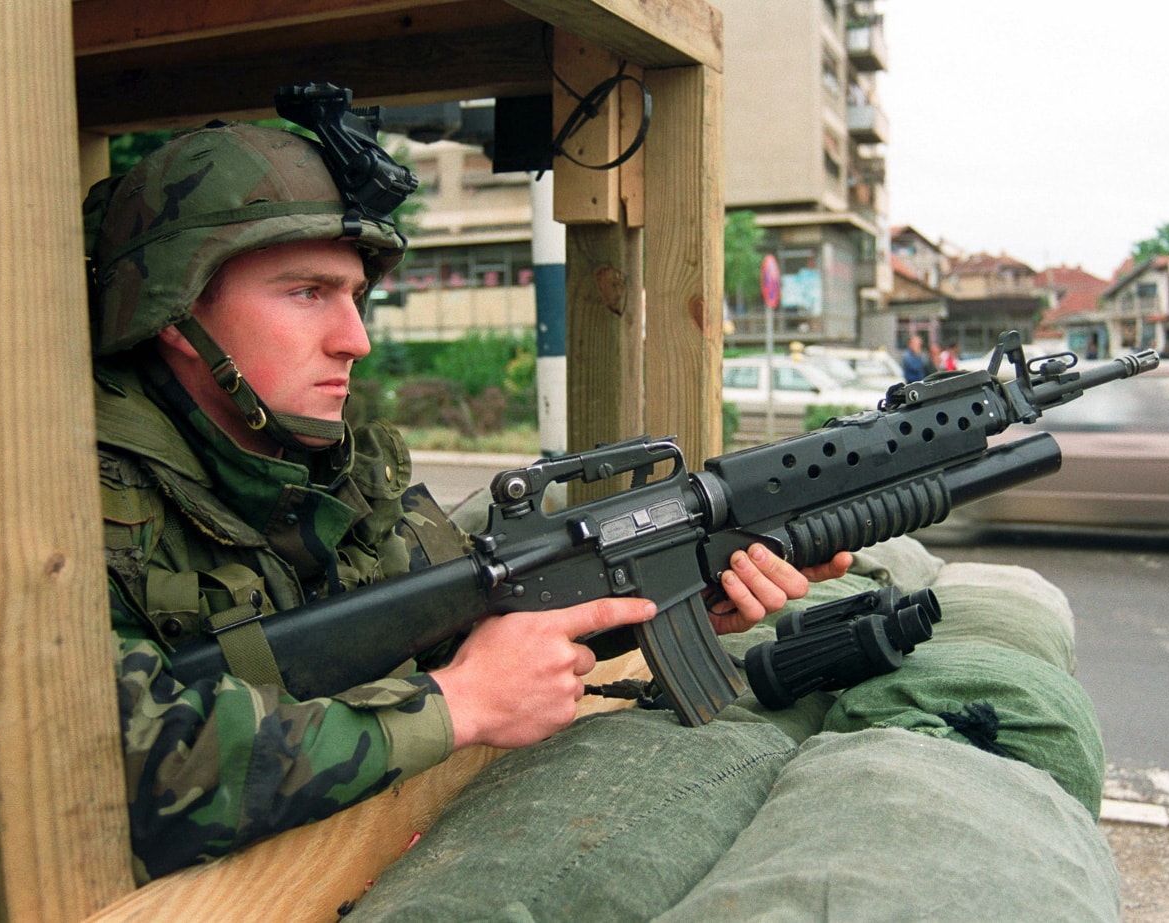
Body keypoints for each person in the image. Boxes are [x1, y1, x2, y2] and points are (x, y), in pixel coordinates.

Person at [85, 122, 849, 882]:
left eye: (353, 295)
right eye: (307, 293)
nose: (355, 339)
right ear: (176, 313)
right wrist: (457, 706)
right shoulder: (79, 508)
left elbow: (458, 638)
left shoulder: (323, 470)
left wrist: (667, 592)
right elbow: (118, 765)